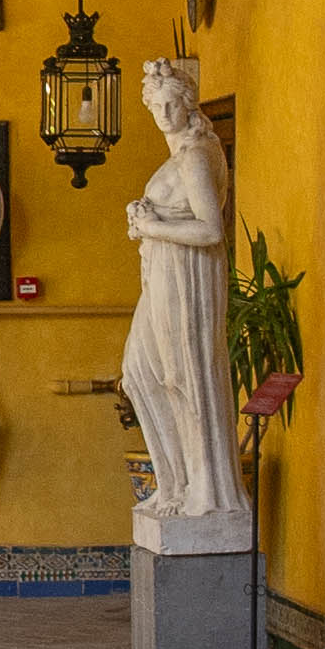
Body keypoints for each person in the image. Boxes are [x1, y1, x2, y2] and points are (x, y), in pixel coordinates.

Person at [119, 55, 248, 524]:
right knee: (140, 373)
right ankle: (173, 482)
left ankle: (207, 492)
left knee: (186, 379)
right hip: (161, 273)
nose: (164, 115)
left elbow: (212, 231)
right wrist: (146, 221)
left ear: (187, 103)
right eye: (156, 105)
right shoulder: (178, 154)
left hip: (186, 276)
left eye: (171, 104)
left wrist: (152, 226)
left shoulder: (195, 153)